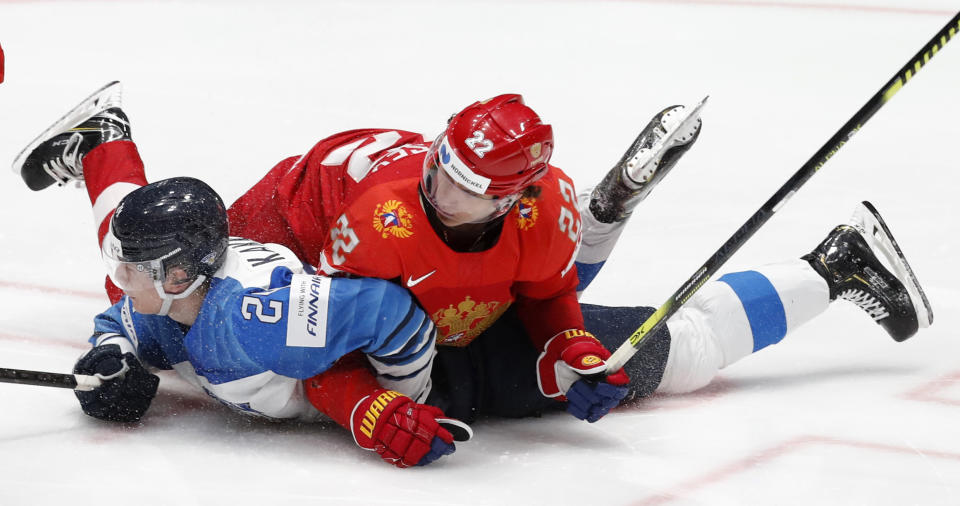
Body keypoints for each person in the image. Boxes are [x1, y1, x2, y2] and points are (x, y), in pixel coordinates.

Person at [14, 82, 933, 435]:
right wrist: (117, 353)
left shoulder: (517, 214)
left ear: (516, 188)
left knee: (656, 345)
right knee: (122, 250)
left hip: (381, 283)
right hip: (306, 214)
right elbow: (348, 323)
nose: (444, 186)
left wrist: (389, 399)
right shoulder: (371, 224)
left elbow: (410, 320)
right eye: (444, 166)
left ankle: (834, 264)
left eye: (471, 181)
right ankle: (105, 137)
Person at [13, 86, 473, 468]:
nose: (120, 274)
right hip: (292, 231)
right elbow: (119, 322)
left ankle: (102, 143)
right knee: (135, 261)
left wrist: (400, 401)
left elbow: (387, 313)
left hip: (324, 208)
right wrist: (112, 361)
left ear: (177, 278)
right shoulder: (175, 297)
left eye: (132, 265)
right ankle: (103, 143)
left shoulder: (256, 317)